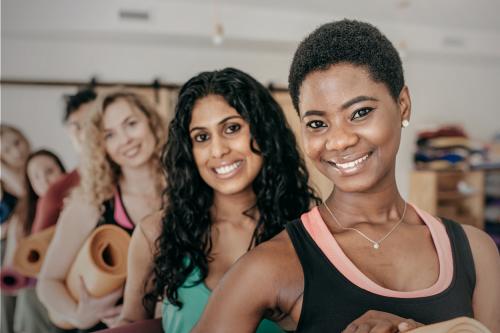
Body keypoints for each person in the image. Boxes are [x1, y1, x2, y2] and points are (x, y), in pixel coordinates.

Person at [192, 20, 500, 333]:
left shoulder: (476, 253)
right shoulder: (274, 264)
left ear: (403, 105)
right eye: (317, 124)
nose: (339, 141)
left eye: (360, 112)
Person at [121, 67, 319, 333]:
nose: (218, 150)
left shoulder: (309, 228)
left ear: (263, 131)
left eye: (232, 128)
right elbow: (133, 327)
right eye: (202, 137)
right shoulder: (156, 233)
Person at [37, 89, 165, 332]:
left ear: (151, 121)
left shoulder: (187, 189)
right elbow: (47, 283)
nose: (125, 139)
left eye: (131, 124)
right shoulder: (91, 202)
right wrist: (79, 316)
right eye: (110, 135)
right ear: (101, 145)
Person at [13, 149, 67, 333]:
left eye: (49, 171)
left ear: (62, 171)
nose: (44, 180)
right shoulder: (28, 214)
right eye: (36, 177)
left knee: (30, 298)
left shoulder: (77, 202)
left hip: (68, 278)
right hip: (39, 280)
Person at [31, 88, 97, 233]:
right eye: (76, 126)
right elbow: (33, 251)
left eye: (91, 122)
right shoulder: (57, 192)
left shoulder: (129, 176)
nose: (85, 133)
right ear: (69, 132)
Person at [0, 124, 31, 333]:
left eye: (17, 143)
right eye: (7, 151)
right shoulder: (3, 184)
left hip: (25, 246)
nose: (16, 151)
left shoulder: (37, 167)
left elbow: (23, 189)